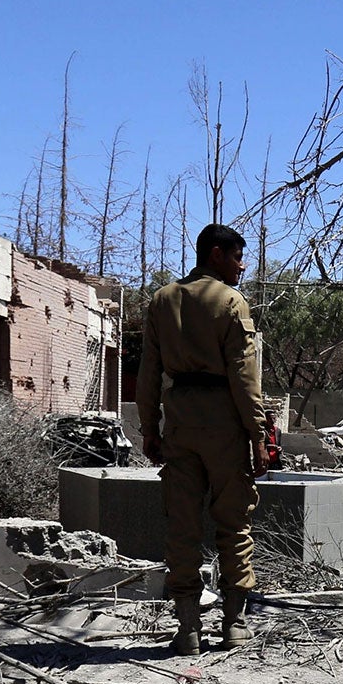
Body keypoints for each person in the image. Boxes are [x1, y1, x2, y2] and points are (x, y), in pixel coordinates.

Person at [135, 223, 267, 655]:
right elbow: (245, 379)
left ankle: (188, 629)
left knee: (183, 527)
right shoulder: (231, 302)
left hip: (180, 424)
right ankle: (234, 625)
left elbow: (149, 374)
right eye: (236, 257)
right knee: (234, 523)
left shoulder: (162, 299)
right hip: (225, 424)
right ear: (215, 254)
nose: (241, 265)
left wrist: (149, 430)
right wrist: (259, 436)